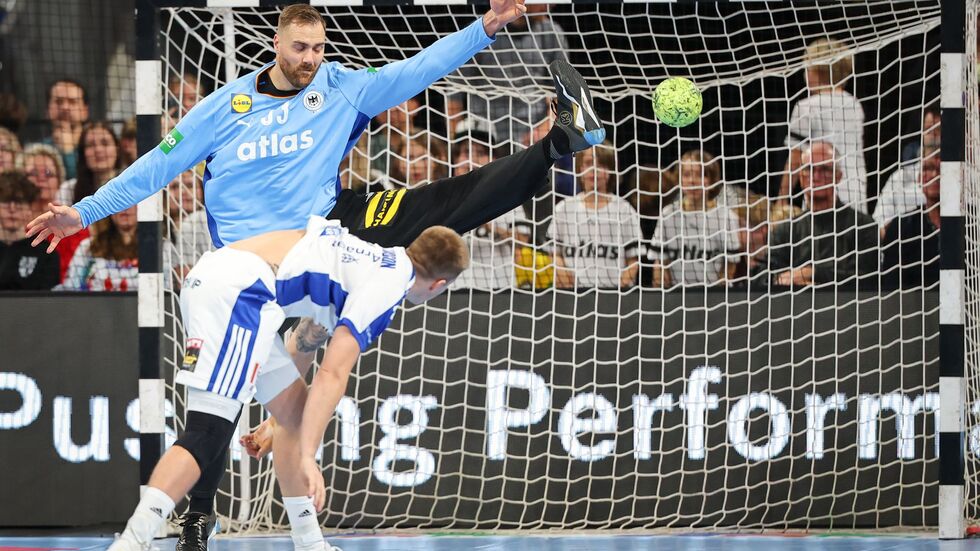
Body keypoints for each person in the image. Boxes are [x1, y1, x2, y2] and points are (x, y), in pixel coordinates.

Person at [108, 219, 469, 551]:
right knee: (208, 431)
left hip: (241, 288)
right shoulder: (387, 286)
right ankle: (133, 541)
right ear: (439, 285)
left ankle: (310, 542)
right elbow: (332, 373)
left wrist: (275, 420)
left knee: (294, 417)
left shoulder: (376, 258)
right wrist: (309, 458)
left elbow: (307, 340)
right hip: (239, 291)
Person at [449, 4, 568, 146]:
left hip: (532, 134)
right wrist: (454, 142)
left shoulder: (552, 32)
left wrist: (546, 128)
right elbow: (454, 90)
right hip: (483, 135)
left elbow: (562, 91)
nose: (551, 4)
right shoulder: (481, 31)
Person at [763, 141, 878, 287]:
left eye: (824, 169)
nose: (815, 176)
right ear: (801, 177)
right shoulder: (785, 231)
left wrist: (812, 273)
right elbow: (766, 278)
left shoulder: (863, 227)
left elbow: (866, 280)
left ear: (838, 176)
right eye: (809, 169)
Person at [780, 39, 867, 213]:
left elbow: (795, 160)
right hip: (855, 194)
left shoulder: (806, 107)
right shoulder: (855, 105)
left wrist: (781, 199)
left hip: (820, 193)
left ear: (817, 69)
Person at [548, 141, 640, 288]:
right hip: (572, 298)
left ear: (611, 170)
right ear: (579, 168)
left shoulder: (624, 210)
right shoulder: (564, 209)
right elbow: (555, 255)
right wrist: (568, 285)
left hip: (613, 300)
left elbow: (633, 261)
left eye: (601, 165)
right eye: (589, 163)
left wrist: (618, 292)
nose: (594, 170)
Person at [648, 150, 742, 288]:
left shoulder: (726, 217)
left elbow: (731, 265)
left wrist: (718, 294)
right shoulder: (668, 215)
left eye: (700, 175)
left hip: (713, 297)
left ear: (712, 180)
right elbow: (659, 262)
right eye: (686, 175)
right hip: (676, 296)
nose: (692, 181)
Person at [880, 146, 941, 289]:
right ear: (919, 179)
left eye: (941, 169)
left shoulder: (972, 225)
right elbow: (892, 287)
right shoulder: (900, 229)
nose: (934, 175)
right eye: (927, 168)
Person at [873, 108, 939, 226]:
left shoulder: (966, 179)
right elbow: (879, 223)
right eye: (928, 129)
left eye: (938, 129)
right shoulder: (899, 178)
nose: (933, 135)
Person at [0, 171, 59, 290]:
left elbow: (48, 300)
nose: (12, 209)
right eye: (6, 201)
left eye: (20, 202)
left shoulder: (46, 252)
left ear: (29, 209)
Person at [61, 121, 125, 206]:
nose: (98, 150)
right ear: (83, 153)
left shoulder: (128, 184)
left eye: (105, 143)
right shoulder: (68, 190)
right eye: (90, 145)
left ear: (117, 149)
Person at [41, 79, 90, 180]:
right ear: (47, 110)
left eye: (72, 102)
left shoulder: (96, 146)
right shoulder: (39, 149)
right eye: (58, 102)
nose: (65, 107)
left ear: (85, 111)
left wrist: (68, 151)